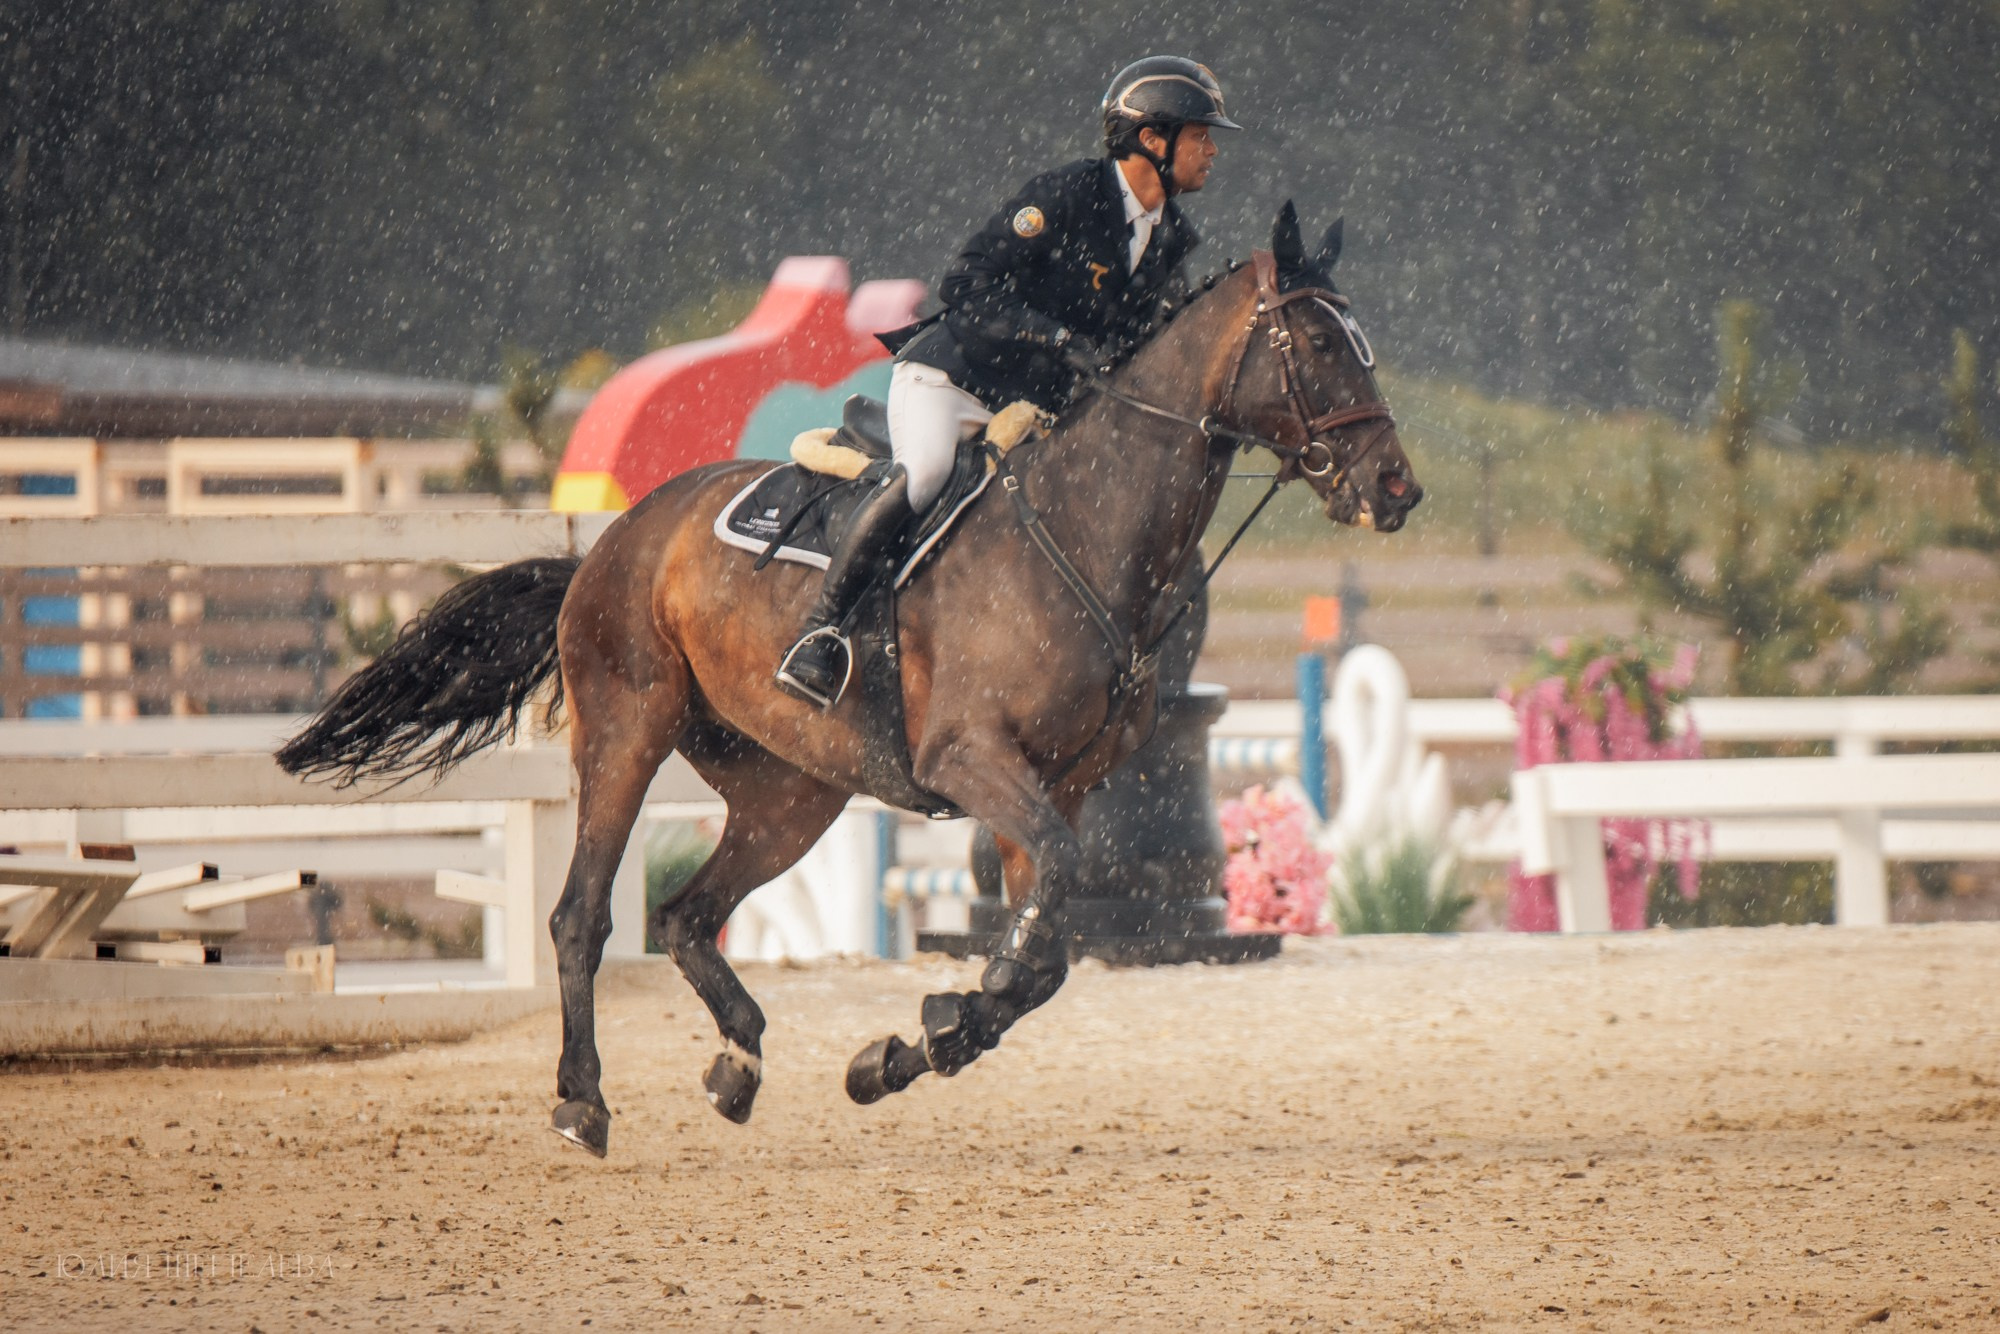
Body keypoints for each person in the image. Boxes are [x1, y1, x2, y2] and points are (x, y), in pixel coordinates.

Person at [776, 55, 1240, 708]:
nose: (1213, 151)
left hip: (1036, 413)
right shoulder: (1067, 197)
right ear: (1151, 140)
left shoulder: (1171, 239)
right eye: (1201, 135)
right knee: (929, 473)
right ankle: (822, 632)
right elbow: (966, 283)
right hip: (955, 381)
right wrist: (1053, 337)